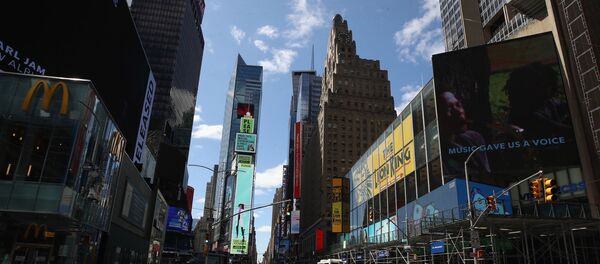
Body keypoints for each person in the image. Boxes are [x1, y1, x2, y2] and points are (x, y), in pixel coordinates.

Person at [438, 91, 491, 177]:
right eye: (449, 109)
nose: (459, 112)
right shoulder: (438, 154)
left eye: (458, 105)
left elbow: (487, 173)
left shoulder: (475, 138)